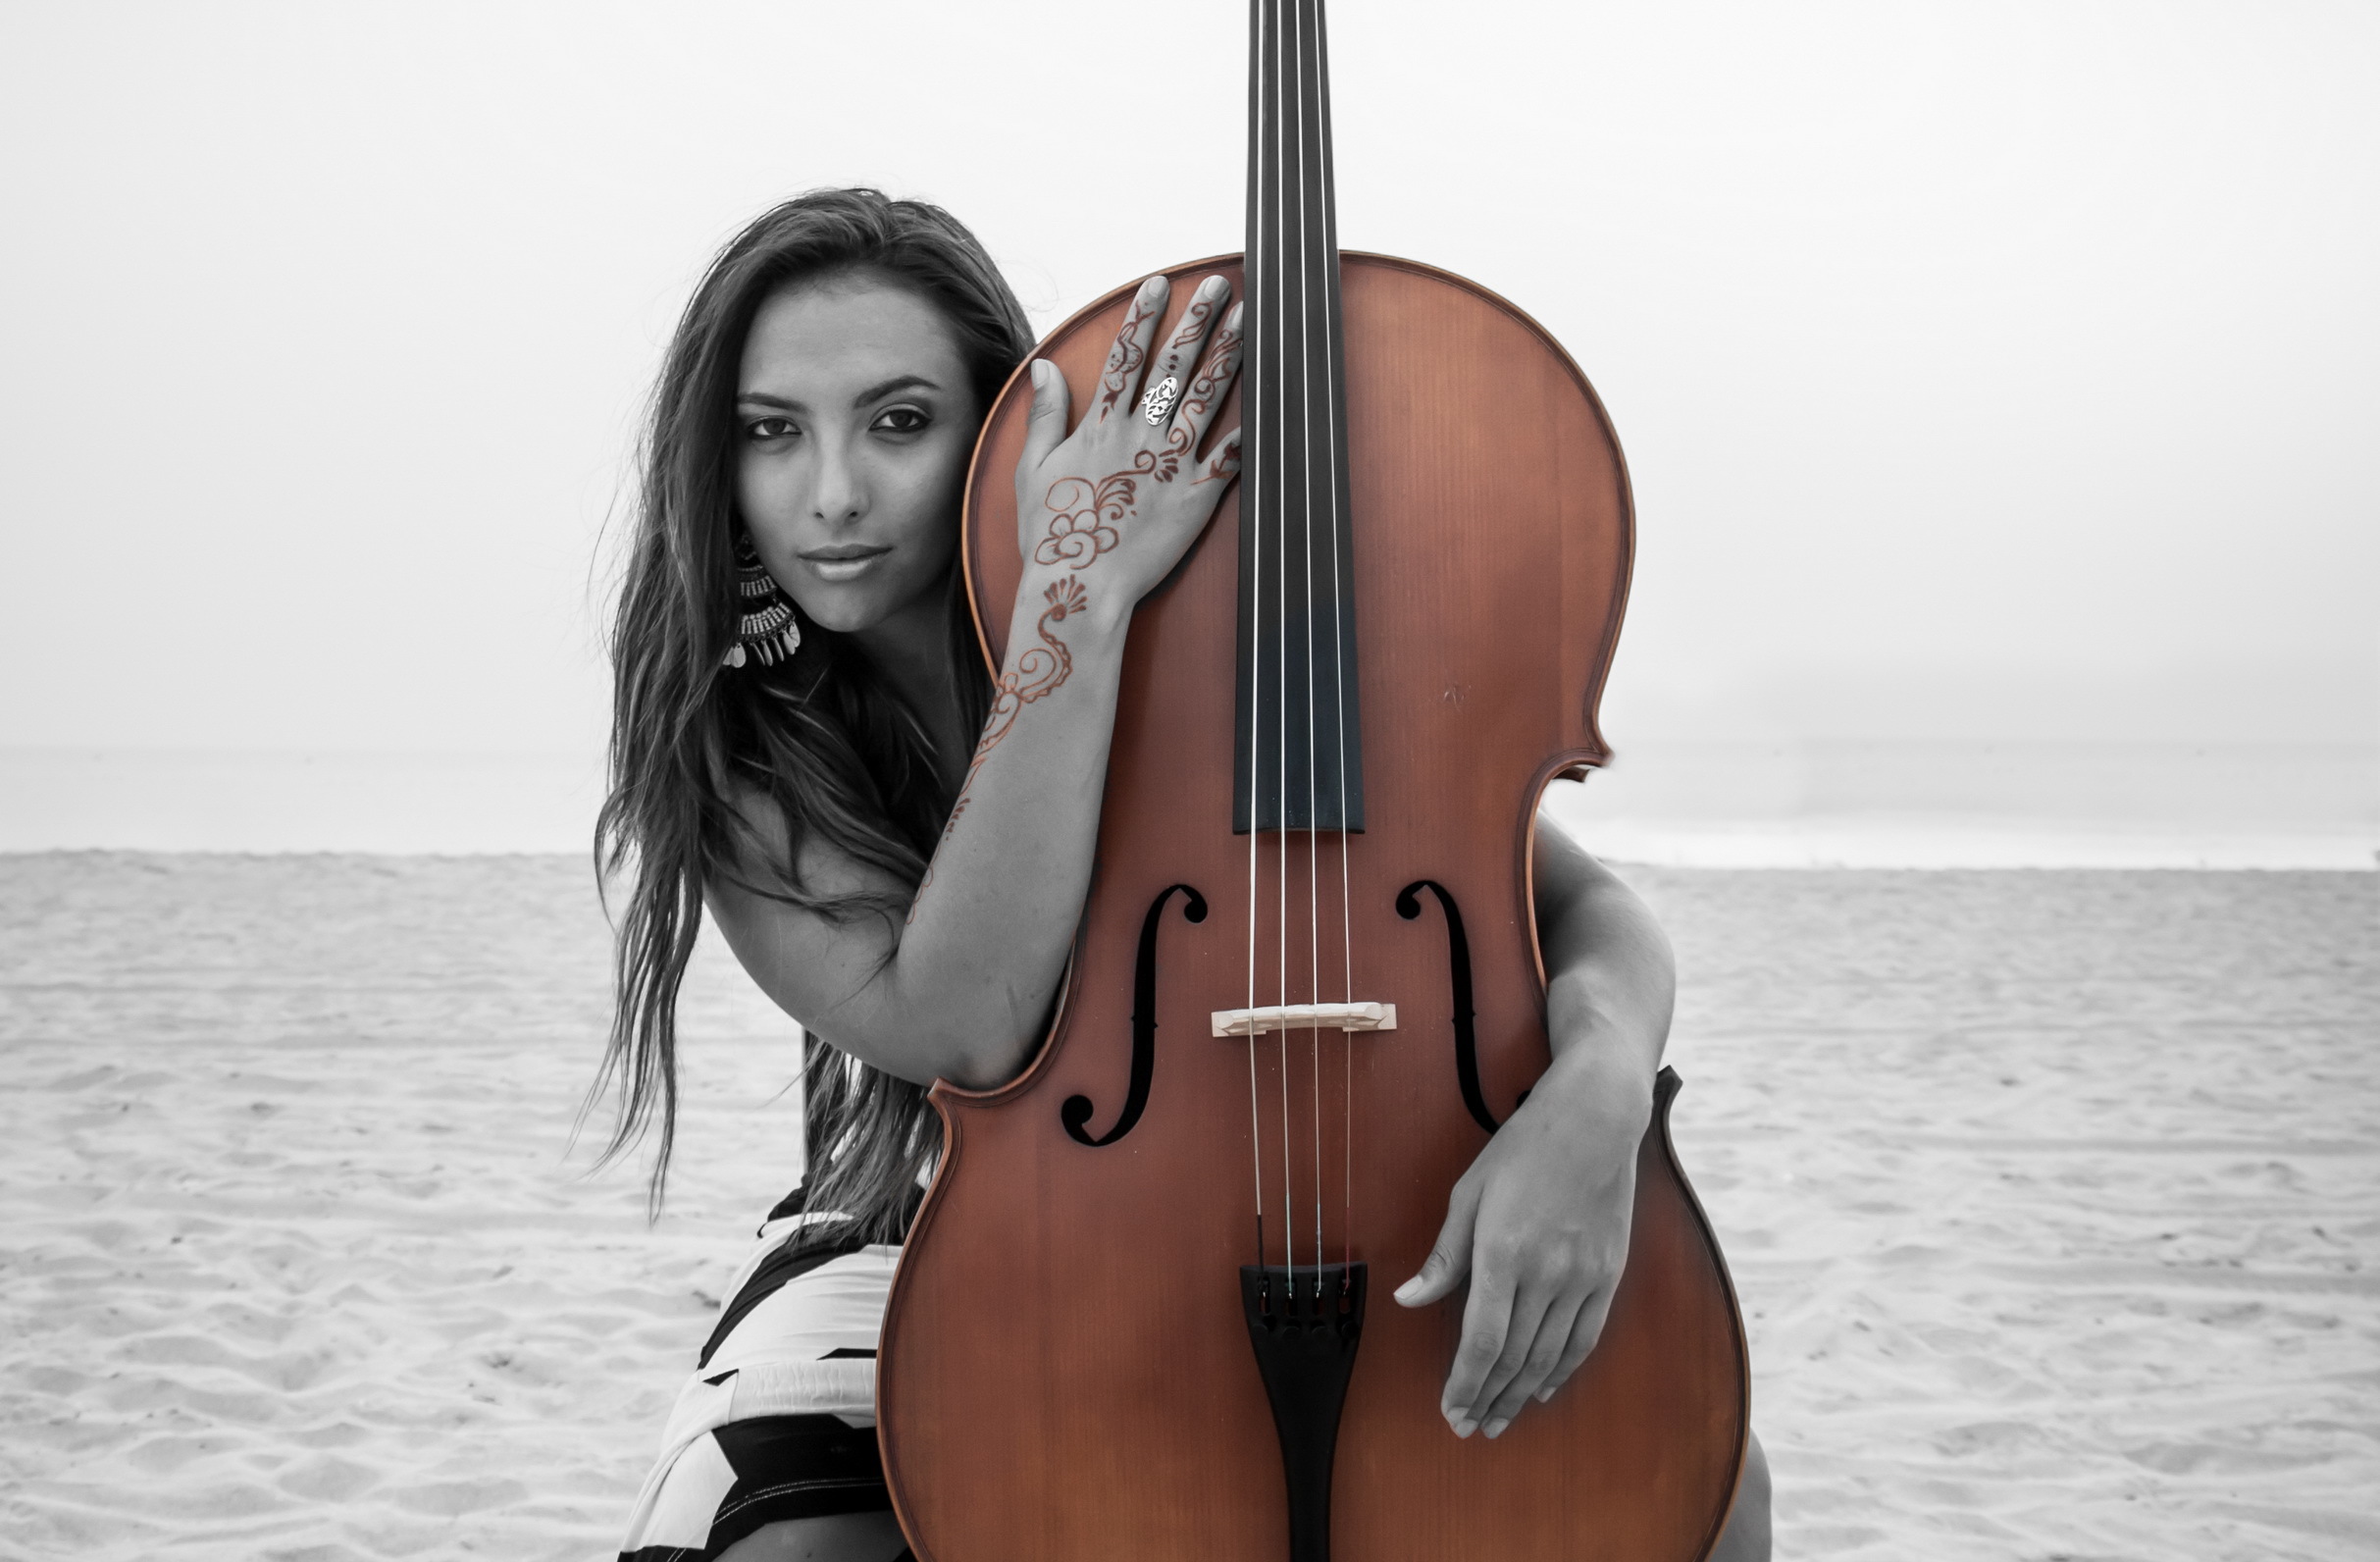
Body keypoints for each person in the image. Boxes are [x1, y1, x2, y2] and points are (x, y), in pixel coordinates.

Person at [595, 187, 1772, 1562]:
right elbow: (968, 1021)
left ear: (1004, 429)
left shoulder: (1211, 628)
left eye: (899, 422)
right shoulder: (738, 756)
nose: (835, 494)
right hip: (910, 1236)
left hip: (1287, 1198)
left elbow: (1579, 907)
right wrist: (1072, 599)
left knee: (1701, 1478)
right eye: (770, 433)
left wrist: (1596, 1094)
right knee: (784, 1548)